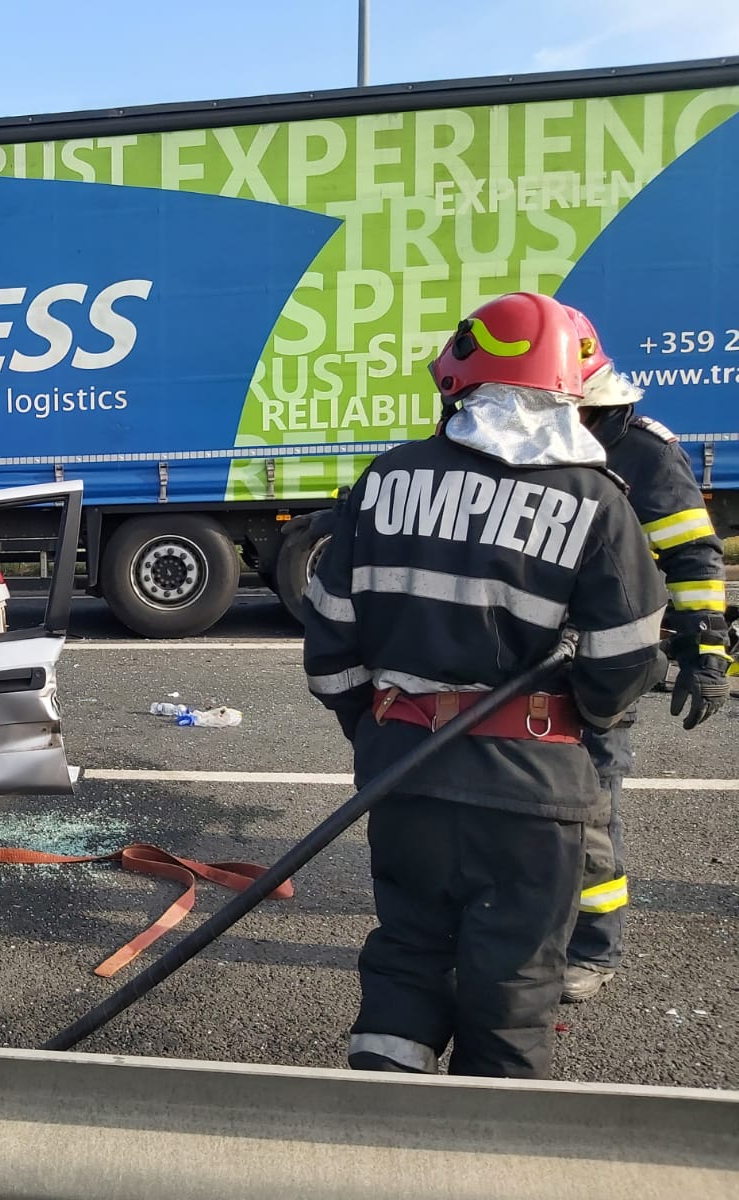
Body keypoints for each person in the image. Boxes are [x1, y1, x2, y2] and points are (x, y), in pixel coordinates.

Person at [303, 291, 666, 1078]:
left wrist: (381, 729)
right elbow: (627, 662)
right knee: (512, 985)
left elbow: (329, 641)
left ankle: (377, 1119)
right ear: (569, 394)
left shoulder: (386, 478)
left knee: (406, 958)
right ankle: (486, 1138)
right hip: (532, 789)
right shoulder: (595, 501)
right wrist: (584, 712)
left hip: (404, 773)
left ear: (458, 383)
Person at [558, 306, 732, 1003]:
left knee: (590, 808)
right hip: (527, 662)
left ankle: (593, 947)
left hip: (605, 666)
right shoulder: (538, 446)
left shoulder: (644, 454)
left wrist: (706, 654)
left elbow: (692, 556)